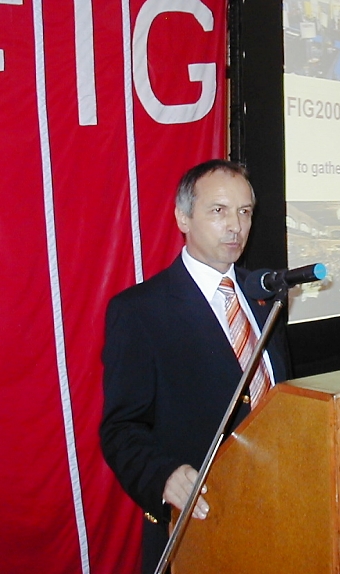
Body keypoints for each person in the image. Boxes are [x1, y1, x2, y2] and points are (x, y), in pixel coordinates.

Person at [100, 159, 291, 574]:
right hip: (202, 523)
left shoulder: (266, 297)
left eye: (245, 212)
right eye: (219, 211)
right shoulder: (140, 311)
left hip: (282, 510)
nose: (236, 226)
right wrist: (163, 476)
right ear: (183, 218)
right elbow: (121, 428)